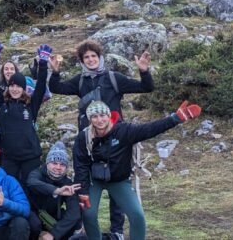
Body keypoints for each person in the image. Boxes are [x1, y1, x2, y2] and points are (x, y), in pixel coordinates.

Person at [49, 39, 155, 239]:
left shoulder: (113, 78)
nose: (90, 60)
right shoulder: (80, 81)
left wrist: (143, 70)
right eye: (86, 57)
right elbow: (57, 88)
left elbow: (146, 87)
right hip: (91, 143)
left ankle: (117, 231)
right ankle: (92, 231)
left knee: (117, 182)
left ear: (100, 57)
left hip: (117, 140)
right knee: (90, 182)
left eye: (93, 56)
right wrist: (54, 72)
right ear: (82, 61)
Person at [74, 100, 201, 240]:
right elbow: (80, 165)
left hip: (119, 180)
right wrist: (83, 192)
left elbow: (149, 129)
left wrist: (174, 119)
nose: (99, 120)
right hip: (94, 180)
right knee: (88, 214)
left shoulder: (124, 130)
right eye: (95, 116)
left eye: (102, 115)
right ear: (90, 119)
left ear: (109, 115)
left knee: (137, 215)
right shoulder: (84, 137)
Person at [0, 41, 49, 187]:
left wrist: (43, 63)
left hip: (31, 156)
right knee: (10, 187)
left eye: (18, 86)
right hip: (9, 157)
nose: (15, 89)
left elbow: (40, 85)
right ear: (8, 88)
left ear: (23, 89)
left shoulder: (30, 105)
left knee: (32, 187)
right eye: (12, 86)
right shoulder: (2, 104)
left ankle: (33, 210)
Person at [26, 142, 84, 240]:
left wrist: (53, 234)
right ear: (47, 163)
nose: (58, 167)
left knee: (76, 220)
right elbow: (31, 182)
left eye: (62, 164)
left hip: (52, 216)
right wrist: (57, 191)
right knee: (34, 225)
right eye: (54, 163)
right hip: (33, 213)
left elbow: (74, 213)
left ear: (66, 167)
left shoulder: (68, 183)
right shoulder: (37, 173)